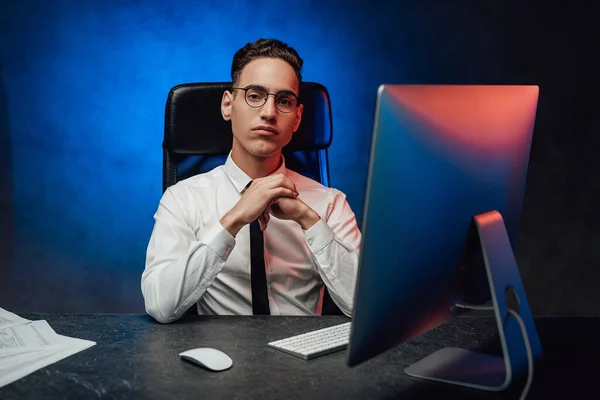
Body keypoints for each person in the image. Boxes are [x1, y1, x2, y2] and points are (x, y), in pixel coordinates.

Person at [141, 38, 362, 323]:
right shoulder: (183, 199)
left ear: (297, 119)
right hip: (220, 358)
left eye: (283, 101)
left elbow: (363, 310)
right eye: (255, 95)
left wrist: (309, 220)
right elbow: (160, 305)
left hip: (304, 360)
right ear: (228, 105)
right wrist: (233, 219)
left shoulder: (330, 203)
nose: (269, 112)